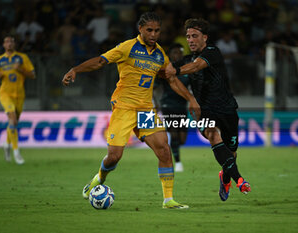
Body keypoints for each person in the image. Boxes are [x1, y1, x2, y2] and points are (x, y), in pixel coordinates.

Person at [62, 12, 200, 209]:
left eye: (157, 31)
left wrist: (191, 99)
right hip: (124, 108)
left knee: (164, 149)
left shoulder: (160, 54)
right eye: (149, 30)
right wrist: (76, 69)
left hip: (145, 110)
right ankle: (98, 179)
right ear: (140, 29)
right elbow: (101, 61)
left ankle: (168, 200)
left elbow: (171, 79)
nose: (154, 34)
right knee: (114, 156)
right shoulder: (127, 47)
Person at [165, 18, 251, 201]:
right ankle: (240, 180)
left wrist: (175, 71)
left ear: (205, 37)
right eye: (188, 36)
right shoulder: (185, 60)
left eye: (194, 36)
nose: (190, 40)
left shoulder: (213, 52)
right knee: (212, 134)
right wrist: (190, 98)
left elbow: (195, 67)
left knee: (232, 152)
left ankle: (225, 178)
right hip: (205, 111)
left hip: (227, 110)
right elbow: (170, 76)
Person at [0, 36, 36, 164]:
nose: (9, 43)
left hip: (19, 94)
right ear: (3, 45)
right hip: (5, 93)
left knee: (14, 122)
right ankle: (16, 152)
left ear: (14, 44)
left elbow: (33, 75)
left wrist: (21, 70)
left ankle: (6, 144)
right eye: (7, 41)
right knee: (12, 118)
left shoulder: (22, 58)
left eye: (11, 41)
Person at [154, 43, 190, 172]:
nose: (178, 55)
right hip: (168, 106)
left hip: (182, 107)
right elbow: (153, 87)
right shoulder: (166, 70)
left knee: (182, 139)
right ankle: (178, 163)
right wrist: (154, 102)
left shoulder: (187, 70)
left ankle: (173, 150)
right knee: (174, 134)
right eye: (175, 52)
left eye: (180, 52)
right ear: (170, 55)